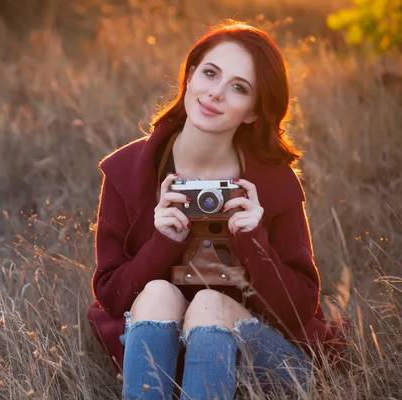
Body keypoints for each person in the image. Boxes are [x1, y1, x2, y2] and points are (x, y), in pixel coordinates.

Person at [86, 21, 348, 399]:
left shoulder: (273, 183)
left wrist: (253, 240)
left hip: (262, 361)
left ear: (253, 113)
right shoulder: (131, 170)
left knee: (210, 305)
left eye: (238, 88)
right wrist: (162, 243)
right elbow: (112, 297)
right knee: (158, 292)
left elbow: (299, 310)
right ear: (190, 76)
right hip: (166, 357)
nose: (215, 94)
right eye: (210, 73)